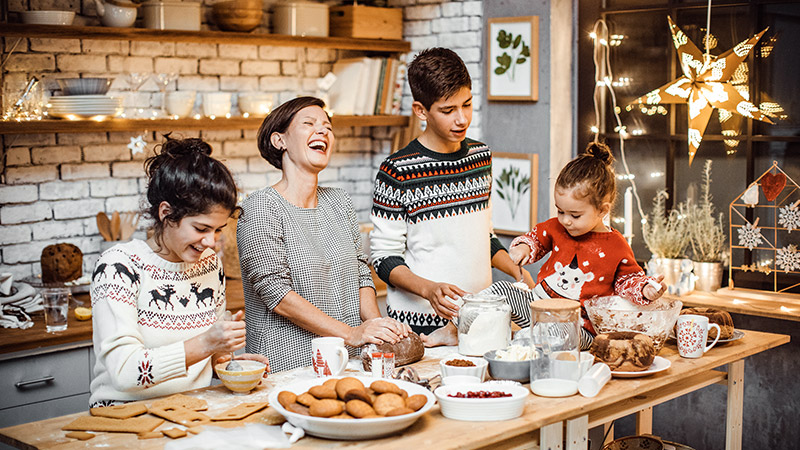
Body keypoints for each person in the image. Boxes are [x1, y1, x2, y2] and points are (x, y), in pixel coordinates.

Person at [370, 47, 535, 347]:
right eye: (448, 111)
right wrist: (430, 290)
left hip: (479, 318)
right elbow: (383, 259)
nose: (461, 119)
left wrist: (515, 269)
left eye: (467, 104)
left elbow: (483, 236)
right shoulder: (396, 170)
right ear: (421, 111)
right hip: (419, 325)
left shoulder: (480, 156)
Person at [89, 137, 269, 408]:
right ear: (166, 213)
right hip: (123, 414)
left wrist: (228, 364)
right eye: (201, 229)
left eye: (217, 230)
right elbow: (124, 372)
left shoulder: (209, 264)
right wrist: (206, 344)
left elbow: (206, 356)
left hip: (189, 409)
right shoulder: (118, 266)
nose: (211, 242)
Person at [238, 96, 410, 373]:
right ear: (279, 140)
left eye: (327, 127)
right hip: (288, 366)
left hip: (349, 360)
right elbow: (276, 294)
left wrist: (376, 330)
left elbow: (360, 273)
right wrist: (351, 333)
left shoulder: (339, 201)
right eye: (309, 124)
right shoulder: (260, 207)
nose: (322, 131)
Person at [508, 141, 666, 349]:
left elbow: (628, 280)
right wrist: (524, 247)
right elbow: (536, 239)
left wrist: (645, 289)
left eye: (575, 215)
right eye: (560, 211)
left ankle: (530, 341)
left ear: (602, 210)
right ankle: (469, 324)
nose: (565, 220)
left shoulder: (616, 245)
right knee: (502, 291)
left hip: (579, 328)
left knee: (558, 332)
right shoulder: (556, 227)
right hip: (538, 309)